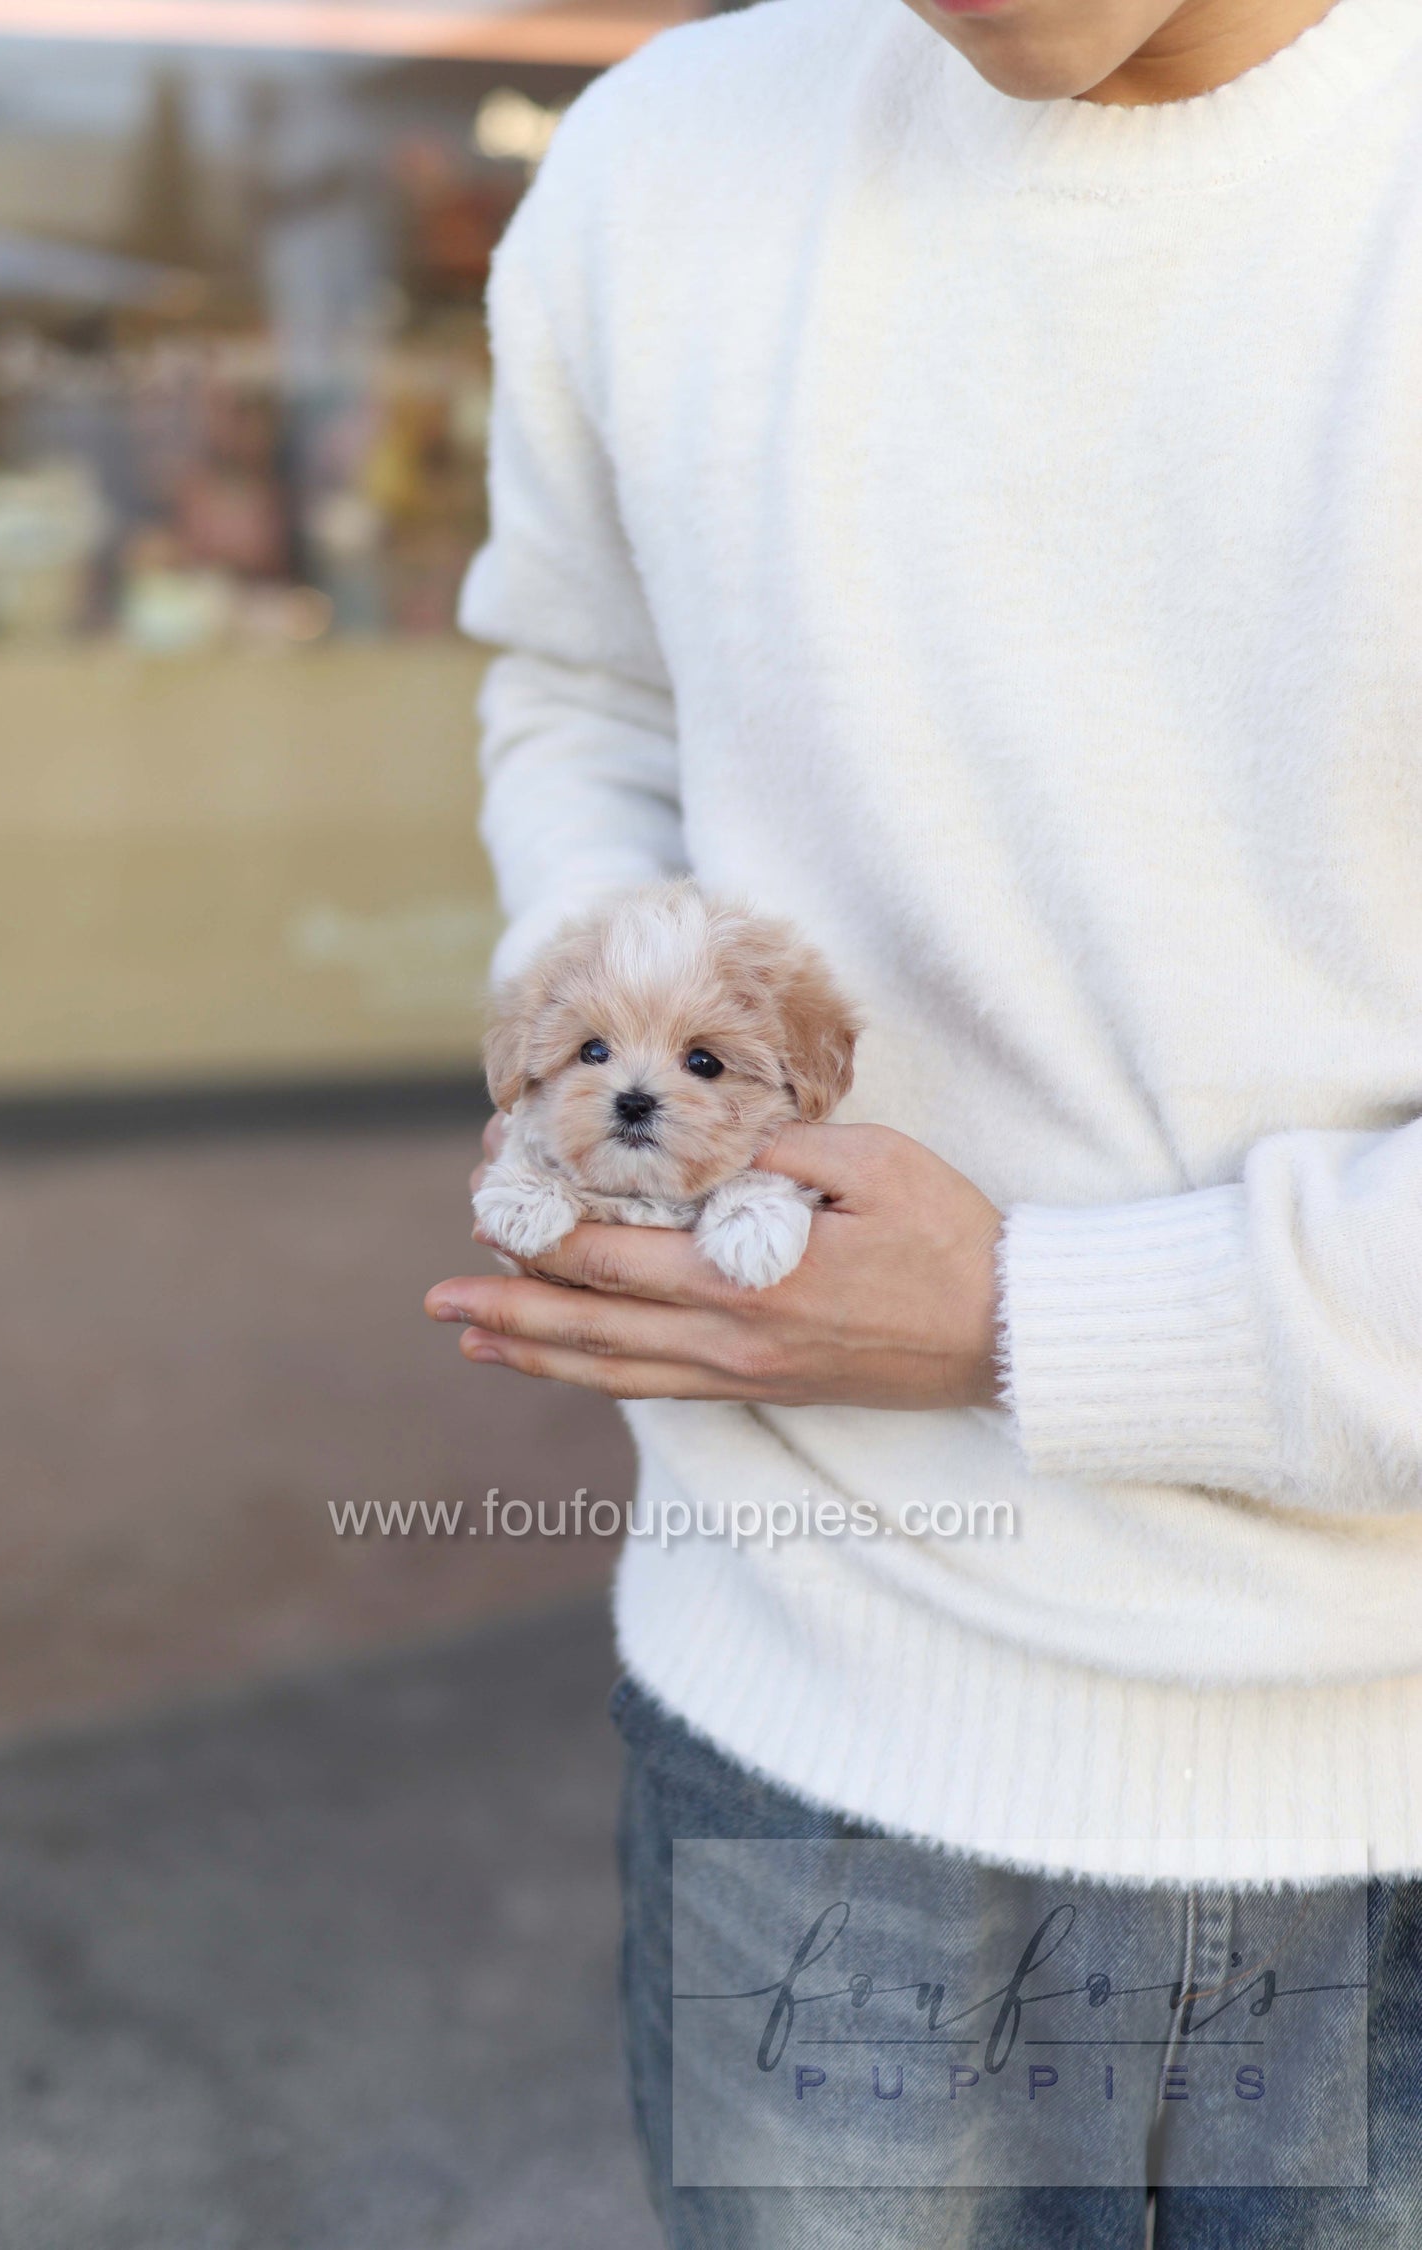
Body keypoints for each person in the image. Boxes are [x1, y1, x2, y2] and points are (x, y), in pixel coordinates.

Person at [426, 0, 1422, 2237]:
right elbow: (586, 683)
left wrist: (1027, 1312)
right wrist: (622, 1037)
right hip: (803, 1726)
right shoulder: (663, 156)